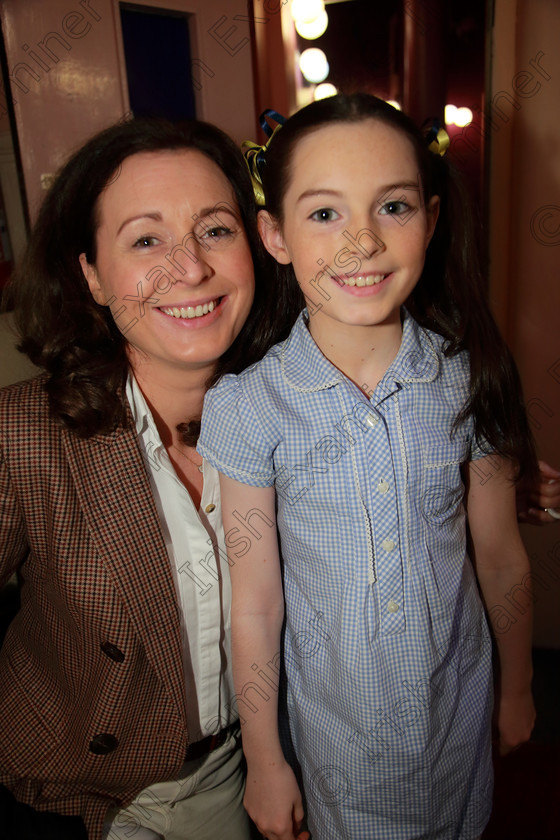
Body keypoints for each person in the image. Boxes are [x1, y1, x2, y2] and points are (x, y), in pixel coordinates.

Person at [197, 93, 537, 840]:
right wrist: (265, 761)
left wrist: (518, 687)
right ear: (274, 235)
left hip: (457, 716)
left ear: (432, 219)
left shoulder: (467, 377)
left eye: (392, 207)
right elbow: (253, 602)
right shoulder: (249, 408)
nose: (361, 243)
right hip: (336, 746)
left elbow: (501, 558)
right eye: (324, 214)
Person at [0, 116, 300, 840]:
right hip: (75, 794)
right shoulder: (24, 435)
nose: (190, 268)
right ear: (93, 276)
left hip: (250, 772)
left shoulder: (301, 414)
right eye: (145, 239)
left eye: (215, 230)